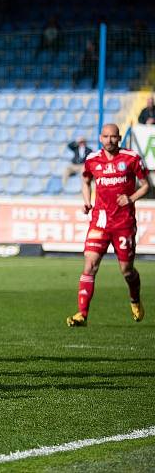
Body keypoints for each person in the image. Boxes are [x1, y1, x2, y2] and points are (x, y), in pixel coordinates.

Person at [66, 124, 149, 327]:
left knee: (127, 270)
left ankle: (135, 299)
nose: (110, 140)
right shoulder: (93, 160)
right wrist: (87, 201)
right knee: (90, 265)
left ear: (119, 138)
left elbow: (146, 185)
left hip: (123, 223)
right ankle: (82, 314)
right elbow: (86, 181)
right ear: (100, 138)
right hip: (100, 222)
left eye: (114, 137)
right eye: (106, 136)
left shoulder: (131, 158)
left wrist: (131, 198)